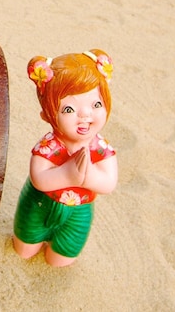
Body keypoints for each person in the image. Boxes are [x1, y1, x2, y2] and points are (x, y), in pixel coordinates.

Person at [12, 49, 119, 267]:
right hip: (39, 204)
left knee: (61, 258)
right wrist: (68, 174)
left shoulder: (100, 147)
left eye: (96, 105)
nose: (85, 116)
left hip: (78, 212)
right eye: (69, 109)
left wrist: (88, 177)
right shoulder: (49, 146)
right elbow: (39, 178)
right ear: (47, 114)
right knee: (24, 247)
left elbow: (108, 183)